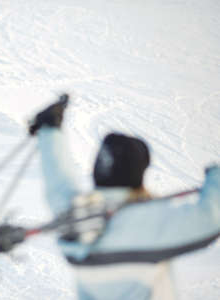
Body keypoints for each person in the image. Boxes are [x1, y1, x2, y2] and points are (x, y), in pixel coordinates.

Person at [29, 95, 220, 300]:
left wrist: (50, 131)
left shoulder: (73, 215)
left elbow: (58, 178)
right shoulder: (147, 225)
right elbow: (210, 217)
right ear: (138, 177)